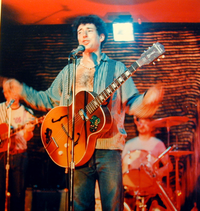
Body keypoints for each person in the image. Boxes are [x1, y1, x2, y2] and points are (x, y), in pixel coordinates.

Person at [7, 15, 164, 211]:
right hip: (76, 149)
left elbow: (132, 104)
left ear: (102, 37)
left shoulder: (116, 69)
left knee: (112, 207)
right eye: (80, 32)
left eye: (88, 30)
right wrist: (23, 91)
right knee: (80, 207)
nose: (83, 35)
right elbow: (47, 100)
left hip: (109, 148)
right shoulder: (69, 71)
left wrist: (148, 100)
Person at [122, 116, 173, 210]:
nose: (141, 125)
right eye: (140, 122)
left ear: (152, 126)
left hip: (152, 188)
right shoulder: (129, 144)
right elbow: (121, 166)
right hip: (131, 188)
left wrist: (158, 173)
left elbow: (169, 166)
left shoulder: (157, 144)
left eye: (145, 122)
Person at [0, 79, 35, 211]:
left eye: (15, 93)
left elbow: (27, 138)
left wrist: (28, 131)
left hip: (20, 156)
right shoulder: (1, 109)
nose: (12, 96)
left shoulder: (27, 113)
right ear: (5, 94)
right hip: (2, 155)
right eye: (9, 93)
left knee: (18, 194)